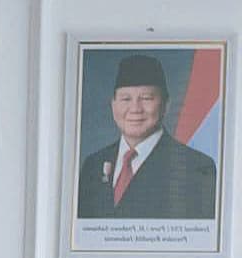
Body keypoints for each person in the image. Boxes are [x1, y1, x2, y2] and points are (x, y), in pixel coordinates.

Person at [77, 53, 216, 220]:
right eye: (125, 99)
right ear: (113, 105)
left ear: (166, 105)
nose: (135, 109)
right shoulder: (93, 165)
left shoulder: (196, 167)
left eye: (146, 98)